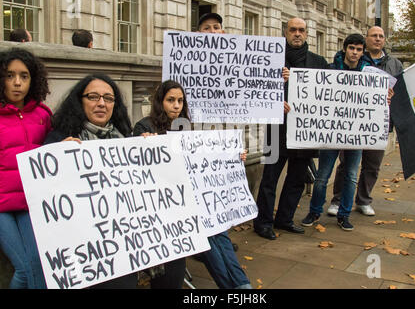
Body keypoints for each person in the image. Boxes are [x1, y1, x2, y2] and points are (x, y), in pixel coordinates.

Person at [134, 79, 251, 289]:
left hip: (192, 198)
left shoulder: (185, 127)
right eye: (171, 100)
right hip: (166, 206)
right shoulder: (144, 126)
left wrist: (234, 157)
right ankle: (235, 287)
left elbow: (204, 158)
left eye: (180, 100)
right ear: (160, 102)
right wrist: (143, 144)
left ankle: (241, 285)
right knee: (207, 234)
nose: (176, 105)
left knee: (218, 230)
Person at [43, 73, 138, 289]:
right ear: (80, 101)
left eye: (108, 98)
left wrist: (149, 149)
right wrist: (56, 156)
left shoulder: (126, 138)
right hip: (82, 248)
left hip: (122, 244)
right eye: (93, 97)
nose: (101, 103)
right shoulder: (59, 138)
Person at [253, 18, 328, 240]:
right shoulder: (271, 59)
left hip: (305, 133)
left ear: (307, 34)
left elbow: (333, 92)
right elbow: (255, 90)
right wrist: (274, 100)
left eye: (301, 30)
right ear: (285, 32)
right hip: (276, 131)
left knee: (296, 179)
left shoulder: (319, 62)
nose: (297, 33)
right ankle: (263, 222)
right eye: (293, 29)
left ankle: (284, 219)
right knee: (269, 179)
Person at [328, 26, 403, 217]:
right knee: (346, 164)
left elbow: (401, 94)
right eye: (374, 36)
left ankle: (363, 200)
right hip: (353, 122)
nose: (378, 39)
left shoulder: (395, 64)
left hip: (380, 123)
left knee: (373, 165)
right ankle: (337, 200)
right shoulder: (357, 59)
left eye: (381, 36)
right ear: (366, 39)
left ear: (384, 40)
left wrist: (391, 97)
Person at [301, 34, 372, 231]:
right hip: (331, 133)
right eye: (351, 48)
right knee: (323, 176)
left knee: (350, 176)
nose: (355, 53)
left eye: (358, 49)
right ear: (345, 49)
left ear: (362, 52)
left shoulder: (370, 74)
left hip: (355, 134)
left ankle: (344, 215)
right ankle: (314, 211)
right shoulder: (330, 70)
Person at [0, 48, 51, 288]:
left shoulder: (43, 114)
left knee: (39, 263)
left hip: (30, 203)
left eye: (24, 75)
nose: (17, 83)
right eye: (10, 75)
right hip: (1, 208)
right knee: (24, 267)